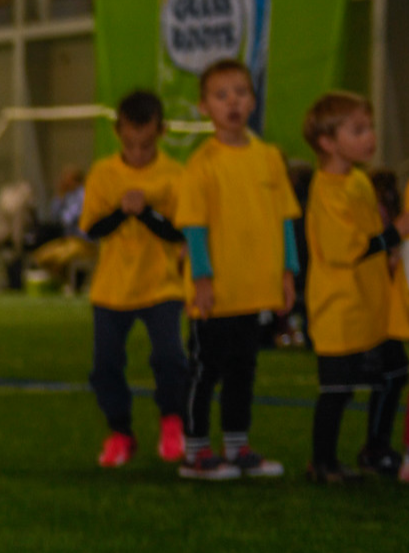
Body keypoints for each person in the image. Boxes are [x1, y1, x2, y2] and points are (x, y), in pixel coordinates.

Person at [174, 58, 299, 481]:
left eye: (241, 92)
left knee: (243, 371)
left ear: (253, 100)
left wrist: (287, 272)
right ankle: (195, 452)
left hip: (254, 289)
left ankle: (237, 446)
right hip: (216, 291)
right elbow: (194, 226)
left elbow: (285, 219)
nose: (233, 102)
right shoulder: (202, 163)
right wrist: (202, 277)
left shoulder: (268, 158)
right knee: (205, 371)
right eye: (221, 95)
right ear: (204, 107)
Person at [300, 91, 408, 484]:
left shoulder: (359, 181)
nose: (370, 137)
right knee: (338, 390)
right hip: (341, 309)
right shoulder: (327, 191)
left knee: (395, 374)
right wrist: (394, 234)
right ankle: (322, 463)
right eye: (359, 130)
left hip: (373, 306)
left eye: (370, 128)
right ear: (328, 142)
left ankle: (375, 448)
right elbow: (349, 250)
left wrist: (392, 252)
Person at [79, 90, 188, 468]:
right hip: (111, 289)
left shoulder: (174, 175)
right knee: (105, 366)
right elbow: (92, 229)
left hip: (162, 284)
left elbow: (179, 232)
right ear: (117, 132)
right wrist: (123, 213)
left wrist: (146, 214)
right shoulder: (103, 173)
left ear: (162, 131)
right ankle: (120, 432)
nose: (139, 152)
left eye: (147, 144)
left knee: (170, 358)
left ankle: (173, 422)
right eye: (131, 144)